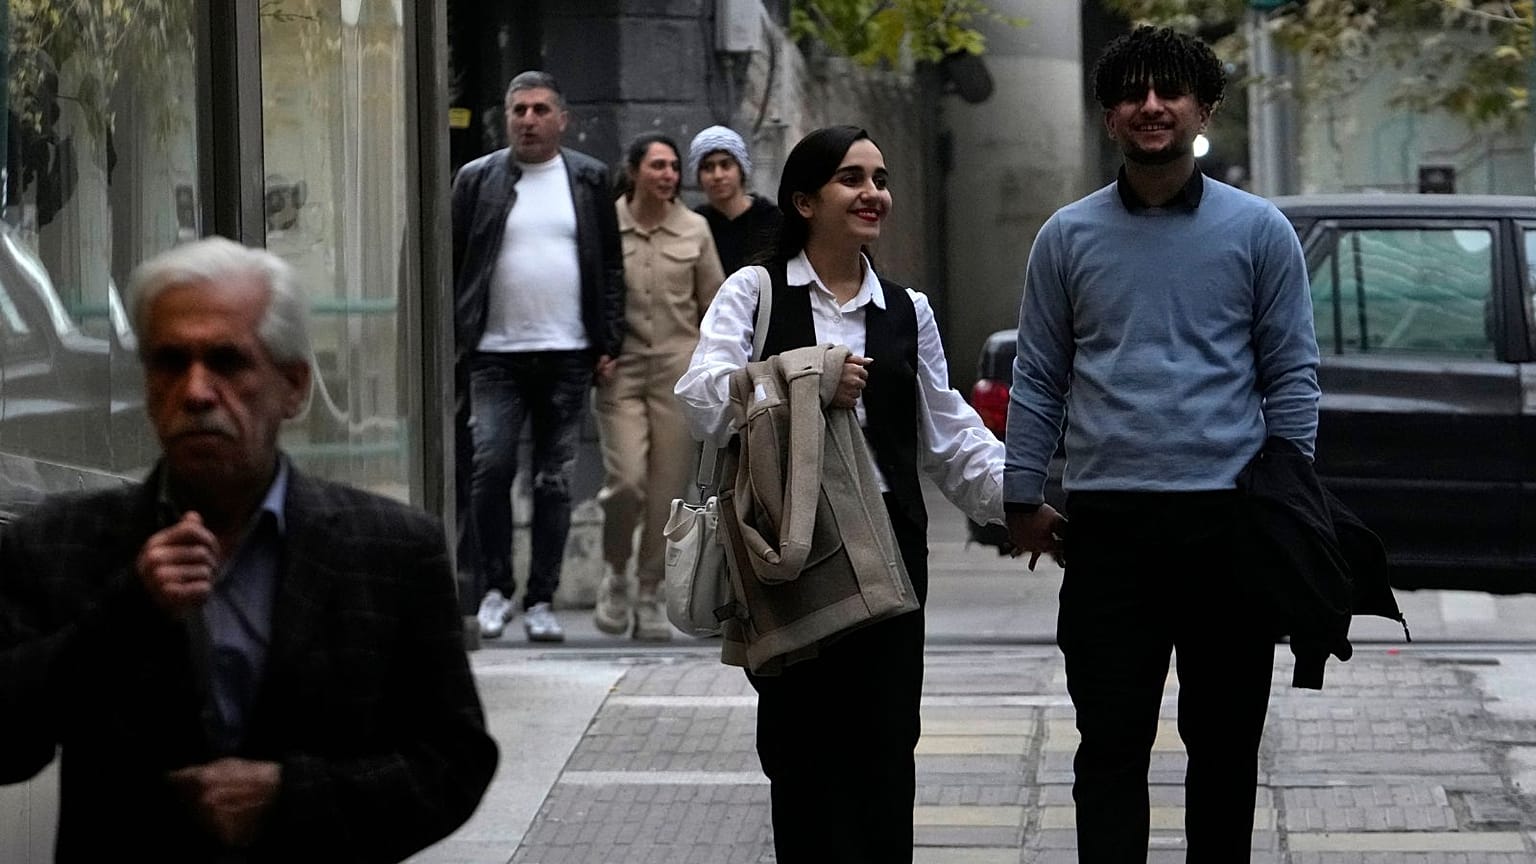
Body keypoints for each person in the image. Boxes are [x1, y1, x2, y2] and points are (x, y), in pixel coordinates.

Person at [0, 237, 497, 862]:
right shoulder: (61, 544)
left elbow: (454, 763)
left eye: (228, 362)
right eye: (170, 362)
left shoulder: (390, 553)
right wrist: (125, 613)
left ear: (292, 388)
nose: (198, 391)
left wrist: (291, 798)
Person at [676, 125, 1042, 863]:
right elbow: (702, 398)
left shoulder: (909, 311)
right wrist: (808, 374)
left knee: (884, 752)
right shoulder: (755, 291)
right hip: (787, 550)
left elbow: (949, 438)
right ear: (806, 201)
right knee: (799, 755)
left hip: (890, 554)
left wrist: (1024, 503)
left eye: (878, 178)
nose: (873, 192)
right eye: (852, 178)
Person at [1004, 26, 1320, 862]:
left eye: (1170, 91)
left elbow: (1292, 374)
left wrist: (1288, 500)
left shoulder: (1260, 232)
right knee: (1108, 748)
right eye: (1133, 94)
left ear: (1203, 108)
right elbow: (1038, 374)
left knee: (1224, 752)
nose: (1152, 107)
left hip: (1229, 530)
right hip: (1107, 533)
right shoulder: (1066, 237)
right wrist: (1021, 494)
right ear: (1110, 115)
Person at [451, 70, 624, 643]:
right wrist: (459, 337)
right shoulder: (477, 179)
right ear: (508, 117)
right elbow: (453, 262)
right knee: (490, 468)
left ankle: (542, 600)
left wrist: (608, 341)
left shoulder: (589, 179)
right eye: (519, 110)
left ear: (561, 118)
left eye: (540, 110)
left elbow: (610, 267)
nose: (528, 120)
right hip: (494, 355)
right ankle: (497, 590)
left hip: (568, 354)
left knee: (555, 481)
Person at [592, 132, 724, 641]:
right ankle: (616, 573)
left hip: (676, 370)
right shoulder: (607, 226)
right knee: (626, 482)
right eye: (658, 166)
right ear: (633, 171)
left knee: (666, 492)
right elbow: (591, 292)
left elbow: (715, 304)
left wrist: (710, 367)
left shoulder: (695, 230)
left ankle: (649, 592)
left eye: (673, 166)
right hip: (620, 370)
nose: (669, 174)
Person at [687, 125, 781, 273]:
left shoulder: (771, 219)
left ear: (741, 170)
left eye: (725, 165)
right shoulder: (694, 225)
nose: (718, 175)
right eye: (708, 167)